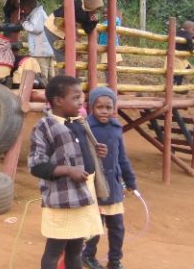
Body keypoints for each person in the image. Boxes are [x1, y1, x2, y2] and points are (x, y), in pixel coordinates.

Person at [28, 76, 107, 269]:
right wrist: (68, 170)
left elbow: (78, 154)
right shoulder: (44, 127)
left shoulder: (79, 123)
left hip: (82, 197)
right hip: (62, 200)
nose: (81, 101)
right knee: (54, 252)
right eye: (76, 97)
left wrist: (96, 152)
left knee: (75, 251)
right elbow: (36, 166)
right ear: (58, 101)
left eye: (82, 97)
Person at [82, 87, 137, 269]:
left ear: (114, 108)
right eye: (100, 107)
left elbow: (122, 157)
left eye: (108, 107)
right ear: (91, 107)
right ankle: (88, 256)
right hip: (94, 186)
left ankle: (115, 260)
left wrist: (130, 181)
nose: (104, 111)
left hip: (113, 187)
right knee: (95, 226)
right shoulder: (85, 127)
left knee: (117, 227)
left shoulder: (116, 128)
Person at [44, 0, 104, 66]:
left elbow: (88, 30)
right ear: (91, 7)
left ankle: (67, 76)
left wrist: (95, 21)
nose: (97, 11)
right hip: (52, 27)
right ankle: (65, 76)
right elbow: (64, 17)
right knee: (63, 59)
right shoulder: (78, 6)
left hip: (62, 31)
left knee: (68, 58)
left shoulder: (86, 12)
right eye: (96, 9)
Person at [20, 0, 55, 82]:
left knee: (43, 75)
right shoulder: (39, 13)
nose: (23, 11)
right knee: (50, 74)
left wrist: (24, 23)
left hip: (41, 50)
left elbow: (35, 28)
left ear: (28, 6)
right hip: (45, 48)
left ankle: (45, 93)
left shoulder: (37, 14)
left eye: (24, 8)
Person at [173, 21, 194, 86]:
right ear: (189, 28)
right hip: (176, 57)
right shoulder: (186, 35)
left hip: (180, 58)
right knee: (179, 72)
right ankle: (176, 85)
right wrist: (191, 50)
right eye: (193, 30)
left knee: (184, 69)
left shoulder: (178, 33)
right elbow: (188, 39)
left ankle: (177, 85)